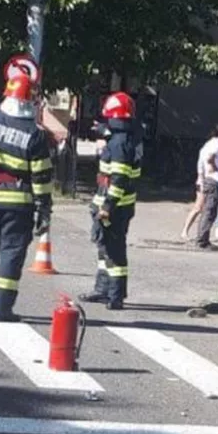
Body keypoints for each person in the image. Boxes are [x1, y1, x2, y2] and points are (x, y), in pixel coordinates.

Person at [0, 72, 53, 322]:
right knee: (11, 254)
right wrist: (44, 209)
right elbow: (41, 177)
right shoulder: (34, 134)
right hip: (18, 204)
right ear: (30, 101)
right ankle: (0, 309)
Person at [80, 92, 142, 310]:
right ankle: (103, 288)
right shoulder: (121, 140)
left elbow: (119, 178)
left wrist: (107, 207)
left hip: (115, 208)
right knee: (103, 249)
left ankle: (115, 296)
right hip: (110, 204)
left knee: (114, 251)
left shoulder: (119, 143)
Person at [194, 123, 218, 250]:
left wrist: (201, 175)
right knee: (210, 211)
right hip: (213, 180)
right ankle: (202, 241)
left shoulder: (209, 143)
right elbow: (209, 160)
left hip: (208, 179)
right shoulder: (216, 145)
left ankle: (203, 238)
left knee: (208, 210)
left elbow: (201, 161)